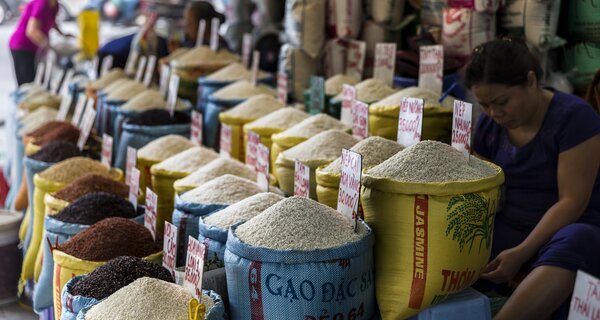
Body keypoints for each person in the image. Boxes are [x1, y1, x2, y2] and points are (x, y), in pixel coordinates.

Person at [467, 38, 600, 320]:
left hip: (567, 228)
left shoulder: (575, 119)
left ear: (530, 80)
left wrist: (521, 252)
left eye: (502, 102)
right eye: (485, 105)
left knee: (578, 240)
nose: (494, 113)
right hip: (511, 226)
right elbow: (483, 191)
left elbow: (572, 202)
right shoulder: (489, 125)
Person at [9, 0, 71, 86]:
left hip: (35, 47)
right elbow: (31, 31)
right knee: (26, 84)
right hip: (22, 46)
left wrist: (62, 33)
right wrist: (49, 47)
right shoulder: (41, 3)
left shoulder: (54, 4)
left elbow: (51, 20)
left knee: (35, 81)